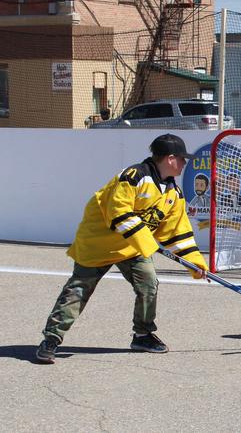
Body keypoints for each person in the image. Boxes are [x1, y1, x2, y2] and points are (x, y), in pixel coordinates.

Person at [34, 134, 209, 364]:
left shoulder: (173, 193)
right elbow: (118, 211)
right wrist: (146, 241)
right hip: (99, 244)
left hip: (132, 247)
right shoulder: (134, 177)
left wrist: (194, 262)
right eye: (182, 159)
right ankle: (51, 339)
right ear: (170, 158)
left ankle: (143, 335)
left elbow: (177, 232)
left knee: (148, 284)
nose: (184, 163)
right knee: (78, 291)